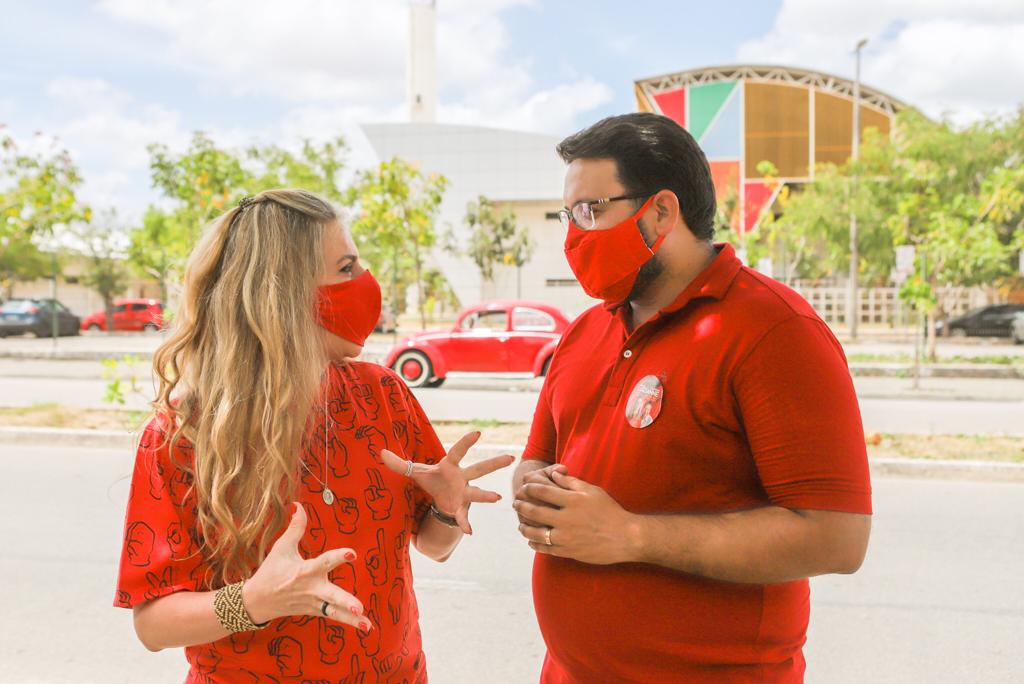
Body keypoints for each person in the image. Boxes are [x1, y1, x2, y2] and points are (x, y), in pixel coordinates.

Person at [512, 113, 873, 683]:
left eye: (591, 210)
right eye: (568, 214)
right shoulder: (585, 331)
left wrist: (631, 535)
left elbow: (837, 538)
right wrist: (536, 492)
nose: (574, 236)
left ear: (661, 211)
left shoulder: (775, 330)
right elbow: (538, 457)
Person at [114, 189, 513, 682]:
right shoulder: (182, 435)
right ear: (282, 295)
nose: (366, 283)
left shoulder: (383, 394)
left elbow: (436, 546)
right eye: (346, 269)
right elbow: (152, 624)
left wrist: (447, 509)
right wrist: (253, 601)